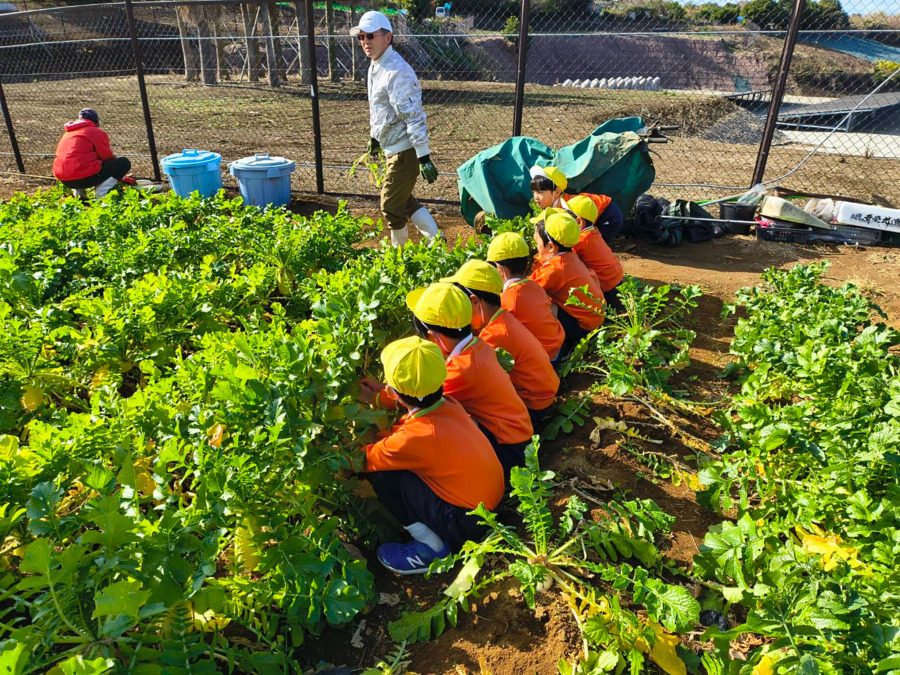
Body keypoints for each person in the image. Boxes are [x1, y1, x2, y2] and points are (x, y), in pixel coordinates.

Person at [355, 336, 504, 575]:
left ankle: (430, 548)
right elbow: (407, 430)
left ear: (393, 393)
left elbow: (364, 460)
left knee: (385, 479)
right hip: (490, 503)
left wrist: (344, 447)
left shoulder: (415, 438)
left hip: (469, 522)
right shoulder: (448, 404)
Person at [362, 283, 533, 485]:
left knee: (393, 477)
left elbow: (420, 394)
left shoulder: (461, 371)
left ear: (433, 336)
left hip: (509, 450)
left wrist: (374, 399)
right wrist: (384, 388)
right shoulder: (478, 347)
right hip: (519, 437)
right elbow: (421, 387)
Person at [351, 11, 441, 247]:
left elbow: (413, 116)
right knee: (403, 200)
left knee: (390, 206)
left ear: (387, 37)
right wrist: (374, 137)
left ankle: (398, 255)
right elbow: (378, 108)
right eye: (361, 37)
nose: (365, 42)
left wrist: (424, 157)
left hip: (405, 150)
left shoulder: (396, 71)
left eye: (370, 36)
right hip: (392, 148)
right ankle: (436, 242)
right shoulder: (376, 66)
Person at [443, 260, 559, 428]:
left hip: (534, 406)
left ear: (475, 302)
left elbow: (457, 378)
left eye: (462, 305)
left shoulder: (494, 335)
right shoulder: (502, 317)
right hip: (544, 395)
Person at [530, 209, 605, 356]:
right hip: (595, 319)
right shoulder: (569, 256)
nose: (535, 245)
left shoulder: (556, 269)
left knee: (539, 304)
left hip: (583, 327)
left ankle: (558, 349)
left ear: (551, 247)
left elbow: (527, 289)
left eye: (537, 241)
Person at [486, 232, 565, 363]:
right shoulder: (534, 285)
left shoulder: (509, 299)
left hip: (544, 358)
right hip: (558, 346)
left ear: (500, 270)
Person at [529, 165, 624, 241]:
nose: (535, 197)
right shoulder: (552, 203)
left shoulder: (568, 208)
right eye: (534, 192)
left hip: (609, 215)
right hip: (596, 214)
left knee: (590, 242)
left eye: (540, 192)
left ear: (557, 192)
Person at [565, 195, 625, 313]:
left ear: (578, 222)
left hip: (607, 287)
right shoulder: (593, 232)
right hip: (616, 278)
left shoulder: (580, 241)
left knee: (609, 314)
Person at [52, 109, 132, 199]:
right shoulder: (95, 132)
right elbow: (106, 156)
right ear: (96, 121)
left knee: (78, 163)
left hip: (64, 178)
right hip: (84, 177)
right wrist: (119, 175)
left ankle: (79, 194)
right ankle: (101, 193)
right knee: (123, 163)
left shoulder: (68, 133)